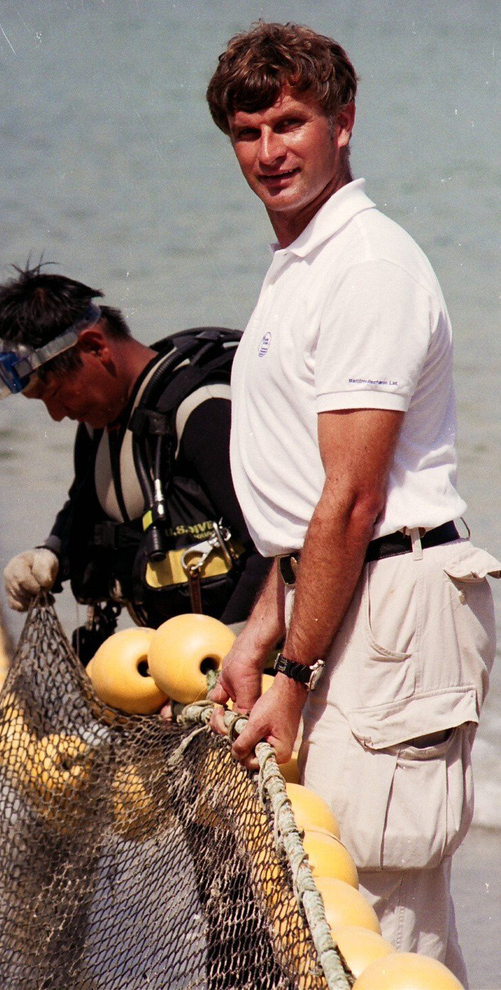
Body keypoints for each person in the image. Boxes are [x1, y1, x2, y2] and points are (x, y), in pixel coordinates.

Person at [204, 21, 499, 984]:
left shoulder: (365, 267)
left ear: (345, 123)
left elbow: (354, 498)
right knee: (329, 908)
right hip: (336, 594)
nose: (269, 151)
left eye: (291, 121)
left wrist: (291, 675)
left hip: (392, 604)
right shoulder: (302, 265)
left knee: (374, 920)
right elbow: (304, 507)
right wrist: (261, 630)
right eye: (248, 132)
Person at [0, 264, 270, 656]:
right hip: (176, 663)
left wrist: (226, 659)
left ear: (96, 347)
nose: (56, 415)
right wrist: (49, 553)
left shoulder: (204, 413)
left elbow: (276, 553)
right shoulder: (99, 428)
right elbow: (83, 508)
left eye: (55, 394)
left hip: (236, 660)